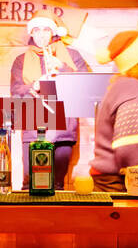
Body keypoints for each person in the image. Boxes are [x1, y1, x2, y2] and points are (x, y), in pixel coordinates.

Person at [10, 14, 89, 189]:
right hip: (33, 127)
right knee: (30, 183)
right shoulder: (21, 60)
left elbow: (85, 86)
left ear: (53, 32)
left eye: (46, 30)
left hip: (62, 127)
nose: (41, 35)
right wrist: (35, 85)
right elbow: (15, 92)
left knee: (57, 183)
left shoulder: (71, 55)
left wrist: (63, 67)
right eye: (36, 30)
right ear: (31, 33)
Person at [89, 29, 138, 193]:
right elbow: (129, 147)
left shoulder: (125, 86)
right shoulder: (133, 92)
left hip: (111, 179)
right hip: (116, 183)